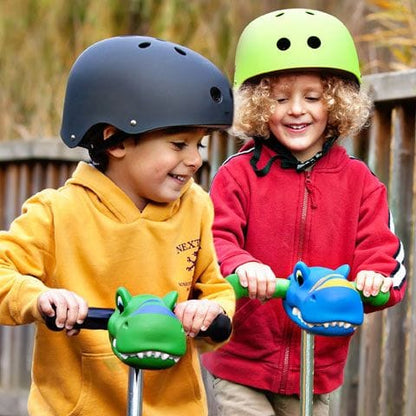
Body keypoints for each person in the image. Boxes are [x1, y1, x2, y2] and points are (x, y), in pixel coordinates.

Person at [0, 35, 235, 416]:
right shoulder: (57, 213)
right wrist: (39, 298)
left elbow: (216, 288)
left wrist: (210, 311)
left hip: (173, 408)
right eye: (179, 144)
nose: (195, 160)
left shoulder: (196, 207)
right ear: (116, 141)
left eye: (200, 145)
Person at [201, 8, 406, 416]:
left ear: (336, 102)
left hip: (316, 364)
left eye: (312, 98)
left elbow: (386, 253)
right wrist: (242, 265)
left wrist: (373, 276)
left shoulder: (361, 183)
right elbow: (211, 239)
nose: (297, 109)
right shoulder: (238, 175)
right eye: (280, 99)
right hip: (242, 360)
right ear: (260, 104)